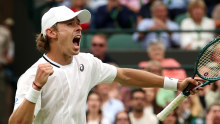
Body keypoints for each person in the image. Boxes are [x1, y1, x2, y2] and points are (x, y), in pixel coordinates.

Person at [9, 6, 201, 124]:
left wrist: (176, 84)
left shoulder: (87, 62)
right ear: (51, 33)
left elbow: (125, 75)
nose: (78, 27)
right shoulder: (31, 76)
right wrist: (36, 88)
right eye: (69, 24)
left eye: (78, 23)